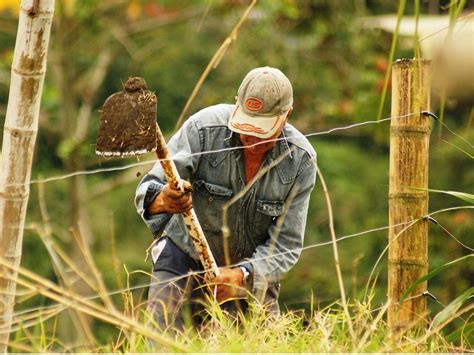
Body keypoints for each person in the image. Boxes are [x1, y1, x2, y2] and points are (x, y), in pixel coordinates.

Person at [135, 66, 317, 329]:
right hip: (182, 258)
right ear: (237, 105)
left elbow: (286, 244)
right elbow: (149, 190)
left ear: (286, 116)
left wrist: (242, 276)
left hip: (250, 275)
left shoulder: (300, 161)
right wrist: (164, 199)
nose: (251, 138)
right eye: (246, 127)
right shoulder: (203, 129)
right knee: (162, 343)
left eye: (262, 131)